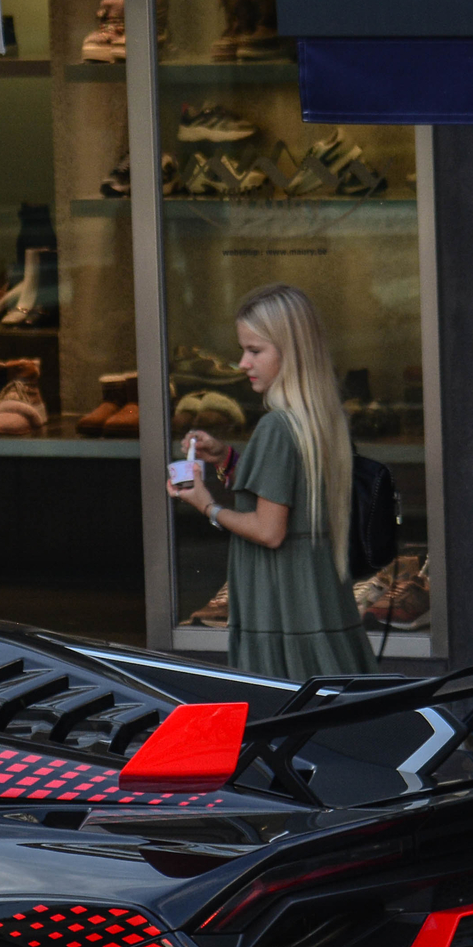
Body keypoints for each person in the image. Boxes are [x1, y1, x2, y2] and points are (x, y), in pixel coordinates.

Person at [170, 282, 375, 682]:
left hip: (281, 606)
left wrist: (205, 505)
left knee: (283, 722)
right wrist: (227, 459)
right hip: (316, 602)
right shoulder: (323, 418)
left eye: (255, 351)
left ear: (291, 352)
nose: (242, 363)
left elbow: (269, 531)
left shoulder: (277, 427)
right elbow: (291, 492)